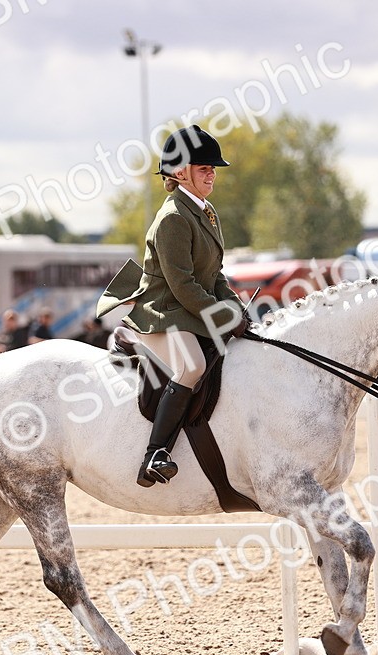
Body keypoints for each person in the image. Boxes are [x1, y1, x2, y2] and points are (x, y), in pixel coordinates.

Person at [96, 124, 247, 488]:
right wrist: (221, 317)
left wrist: (236, 308)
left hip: (189, 308)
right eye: (203, 167)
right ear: (180, 173)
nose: (211, 172)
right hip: (163, 311)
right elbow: (183, 285)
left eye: (213, 168)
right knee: (193, 366)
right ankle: (155, 454)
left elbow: (214, 275)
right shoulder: (173, 218)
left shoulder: (206, 211)